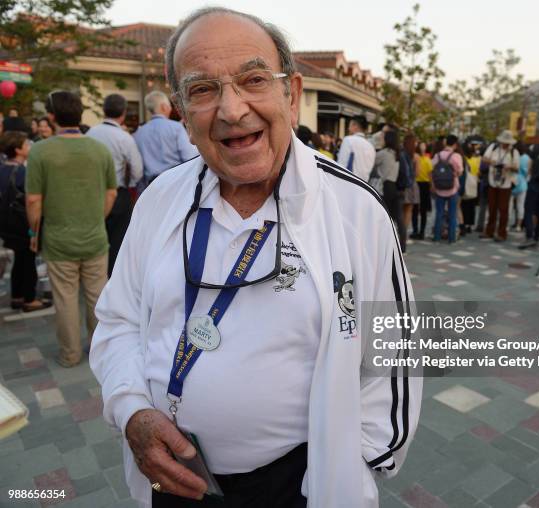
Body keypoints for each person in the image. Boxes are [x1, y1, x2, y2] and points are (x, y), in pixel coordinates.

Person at [89, 7, 420, 508]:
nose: (232, 110)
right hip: (170, 471)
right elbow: (118, 321)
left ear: (291, 93)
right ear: (180, 110)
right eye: (202, 90)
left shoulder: (356, 211)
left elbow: (393, 355)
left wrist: (354, 468)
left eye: (253, 79)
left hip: (299, 485)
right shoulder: (159, 199)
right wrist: (132, 409)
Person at [25, 90, 118, 367]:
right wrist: (95, 217)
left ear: (52, 116)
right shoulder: (99, 149)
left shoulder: (40, 150)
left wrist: (34, 232)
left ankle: (70, 354)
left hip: (57, 239)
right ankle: (101, 352)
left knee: (65, 299)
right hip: (95, 237)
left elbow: (33, 200)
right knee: (97, 297)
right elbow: (112, 193)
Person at [87, 93, 144, 276]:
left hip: (93, 193)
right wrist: (132, 185)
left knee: (96, 236)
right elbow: (137, 170)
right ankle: (113, 277)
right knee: (118, 240)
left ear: (104, 111)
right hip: (118, 194)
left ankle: (95, 275)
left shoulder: (90, 133)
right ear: (124, 113)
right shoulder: (124, 137)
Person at [0, 131, 51, 312]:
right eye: (26, 144)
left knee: (19, 261)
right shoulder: (22, 172)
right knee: (28, 261)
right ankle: (29, 299)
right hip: (23, 225)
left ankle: (16, 296)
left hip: (7, 225)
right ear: (18, 150)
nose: (29, 146)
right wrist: (34, 230)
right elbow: (32, 200)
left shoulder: (3, 167)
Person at [134, 90, 199, 189]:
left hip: (150, 186)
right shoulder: (176, 128)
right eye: (169, 106)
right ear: (164, 106)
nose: (170, 109)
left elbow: (138, 167)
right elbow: (189, 156)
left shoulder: (139, 133)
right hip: (176, 182)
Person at [481, 130, 519, 242]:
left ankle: (502, 233)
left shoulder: (514, 152)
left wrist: (508, 166)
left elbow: (517, 167)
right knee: (491, 208)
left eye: (507, 142)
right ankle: (489, 231)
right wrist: (493, 162)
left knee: (503, 210)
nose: (505, 144)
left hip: (506, 183)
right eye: (503, 142)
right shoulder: (493, 147)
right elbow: (484, 158)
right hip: (492, 181)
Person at [373, 129, 406, 251]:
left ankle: (384, 244)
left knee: (383, 217)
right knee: (397, 218)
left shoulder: (383, 153)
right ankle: (402, 246)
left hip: (384, 187)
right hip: (394, 186)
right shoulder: (397, 154)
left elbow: (372, 162)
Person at [431, 134, 463, 243]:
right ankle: (451, 238)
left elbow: (432, 170)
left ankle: (436, 237)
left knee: (439, 213)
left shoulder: (438, 155)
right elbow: (460, 171)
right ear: (455, 144)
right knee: (452, 214)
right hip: (452, 188)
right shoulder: (456, 156)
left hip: (439, 188)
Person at [336, 115, 375, 181]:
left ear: (355, 126)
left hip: (349, 183)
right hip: (364, 185)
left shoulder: (348, 140)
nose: (348, 128)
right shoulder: (371, 146)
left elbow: (341, 164)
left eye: (350, 125)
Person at [411, 141, 432, 239]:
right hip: (419, 184)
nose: (423, 148)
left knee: (420, 209)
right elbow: (430, 174)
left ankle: (420, 231)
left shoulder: (424, 159)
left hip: (423, 185)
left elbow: (430, 174)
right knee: (417, 209)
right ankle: (417, 231)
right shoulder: (422, 159)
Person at [460, 142, 480, 235]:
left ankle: (463, 223)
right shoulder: (476, 160)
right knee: (471, 206)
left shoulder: (463, 160)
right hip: (474, 183)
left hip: (465, 184)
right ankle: (470, 225)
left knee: (463, 205)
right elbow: (478, 172)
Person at [510, 141, 530, 231]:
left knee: (509, 206)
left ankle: (506, 225)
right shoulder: (527, 158)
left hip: (511, 181)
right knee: (520, 205)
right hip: (522, 183)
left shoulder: (513, 156)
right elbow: (527, 173)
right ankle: (519, 225)